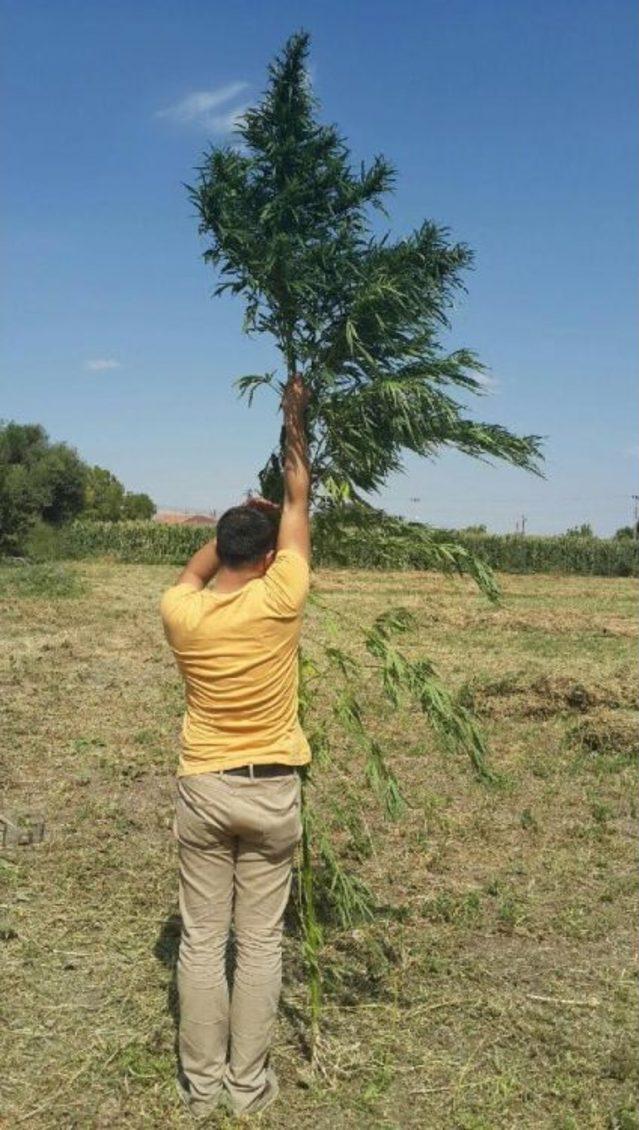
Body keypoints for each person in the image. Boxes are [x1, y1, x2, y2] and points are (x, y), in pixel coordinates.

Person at [160, 375, 311, 1118]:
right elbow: (299, 502)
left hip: (206, 787)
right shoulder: (282, 598)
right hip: (272, 789)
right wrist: (295, 418)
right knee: (259, 945)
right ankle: (247, 1089)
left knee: (200, 942)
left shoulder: (180, 612)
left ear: (222, 551)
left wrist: (232, 527)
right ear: (269, 558)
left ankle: (200, 1087)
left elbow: (195, 570)